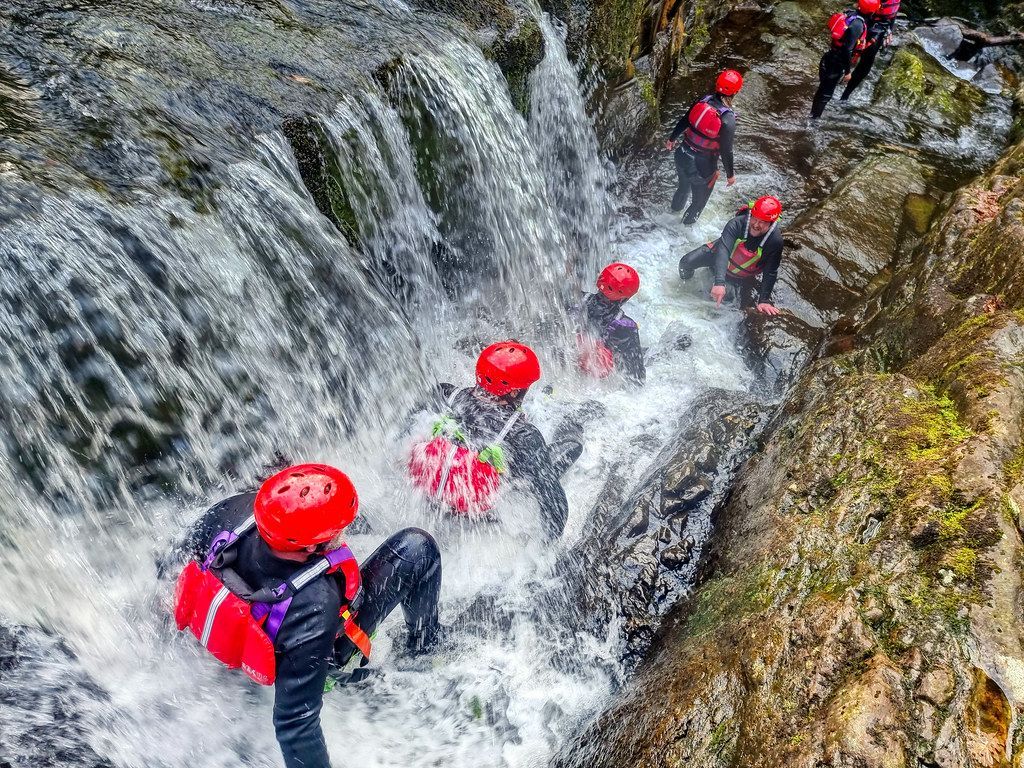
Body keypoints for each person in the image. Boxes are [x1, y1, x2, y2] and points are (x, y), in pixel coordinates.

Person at [173, 463, 442, 768]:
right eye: (339, 529)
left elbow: (178, 560)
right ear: (312, 546)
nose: (343, 531)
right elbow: (296, 725)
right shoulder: (315, 603)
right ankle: (425, 649)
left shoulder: (232, 511)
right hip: (309, 656)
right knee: (418, 548)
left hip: (240, 634)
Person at [408, 341, 581, 538]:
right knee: (570, 449)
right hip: (478, 519)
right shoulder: (523, 435)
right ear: (514, 391)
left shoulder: (445, 393)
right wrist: (549, 545)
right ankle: (573, 428)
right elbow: (554, 504)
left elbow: (406, 428)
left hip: (426, 498)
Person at [677, 195, 785, 315]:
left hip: (743, 275)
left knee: (725, 308)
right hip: (719, 259)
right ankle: (686, 288)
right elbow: (723, 250)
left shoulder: (775, 241)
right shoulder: (737, 223)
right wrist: (719, 282)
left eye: (762, 222)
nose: (756, 225)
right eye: (754, 219)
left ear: (771, 223)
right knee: (685, 263)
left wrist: (764, 300)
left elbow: (771, 271)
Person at [665, 69, 742, 225]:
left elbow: (685, 119)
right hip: (702, 166)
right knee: (698, 203)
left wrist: (672, 139)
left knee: (683, 187)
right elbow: (726, 150)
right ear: (736, 92)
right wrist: (730, 175)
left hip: (682, 154)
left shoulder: (703, 100)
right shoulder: (728, 118)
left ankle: (671, 216)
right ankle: (682, 231)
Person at [575, 262, 645, 384]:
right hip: (597, 379)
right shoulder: (625, 326)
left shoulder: (575, 299)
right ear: (626, 298)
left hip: (570, 360)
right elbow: (636, 377)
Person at [811, 0, 880, 119]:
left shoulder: (850, 14)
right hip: (836, 62)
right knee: (825, 94)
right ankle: (813, 120)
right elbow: (847, 50)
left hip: (830, 56)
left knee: (823, 90)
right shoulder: (858, 25)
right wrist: (848, 72)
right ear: (872, 12)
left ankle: (812, 115)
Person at [840, 0, 900, 101]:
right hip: (871, 24)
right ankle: (842, 88)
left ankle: (844, 95)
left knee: (863, 64)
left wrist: (890, 30)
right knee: (853, 54)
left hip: (877, 28)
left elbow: (893, 12)